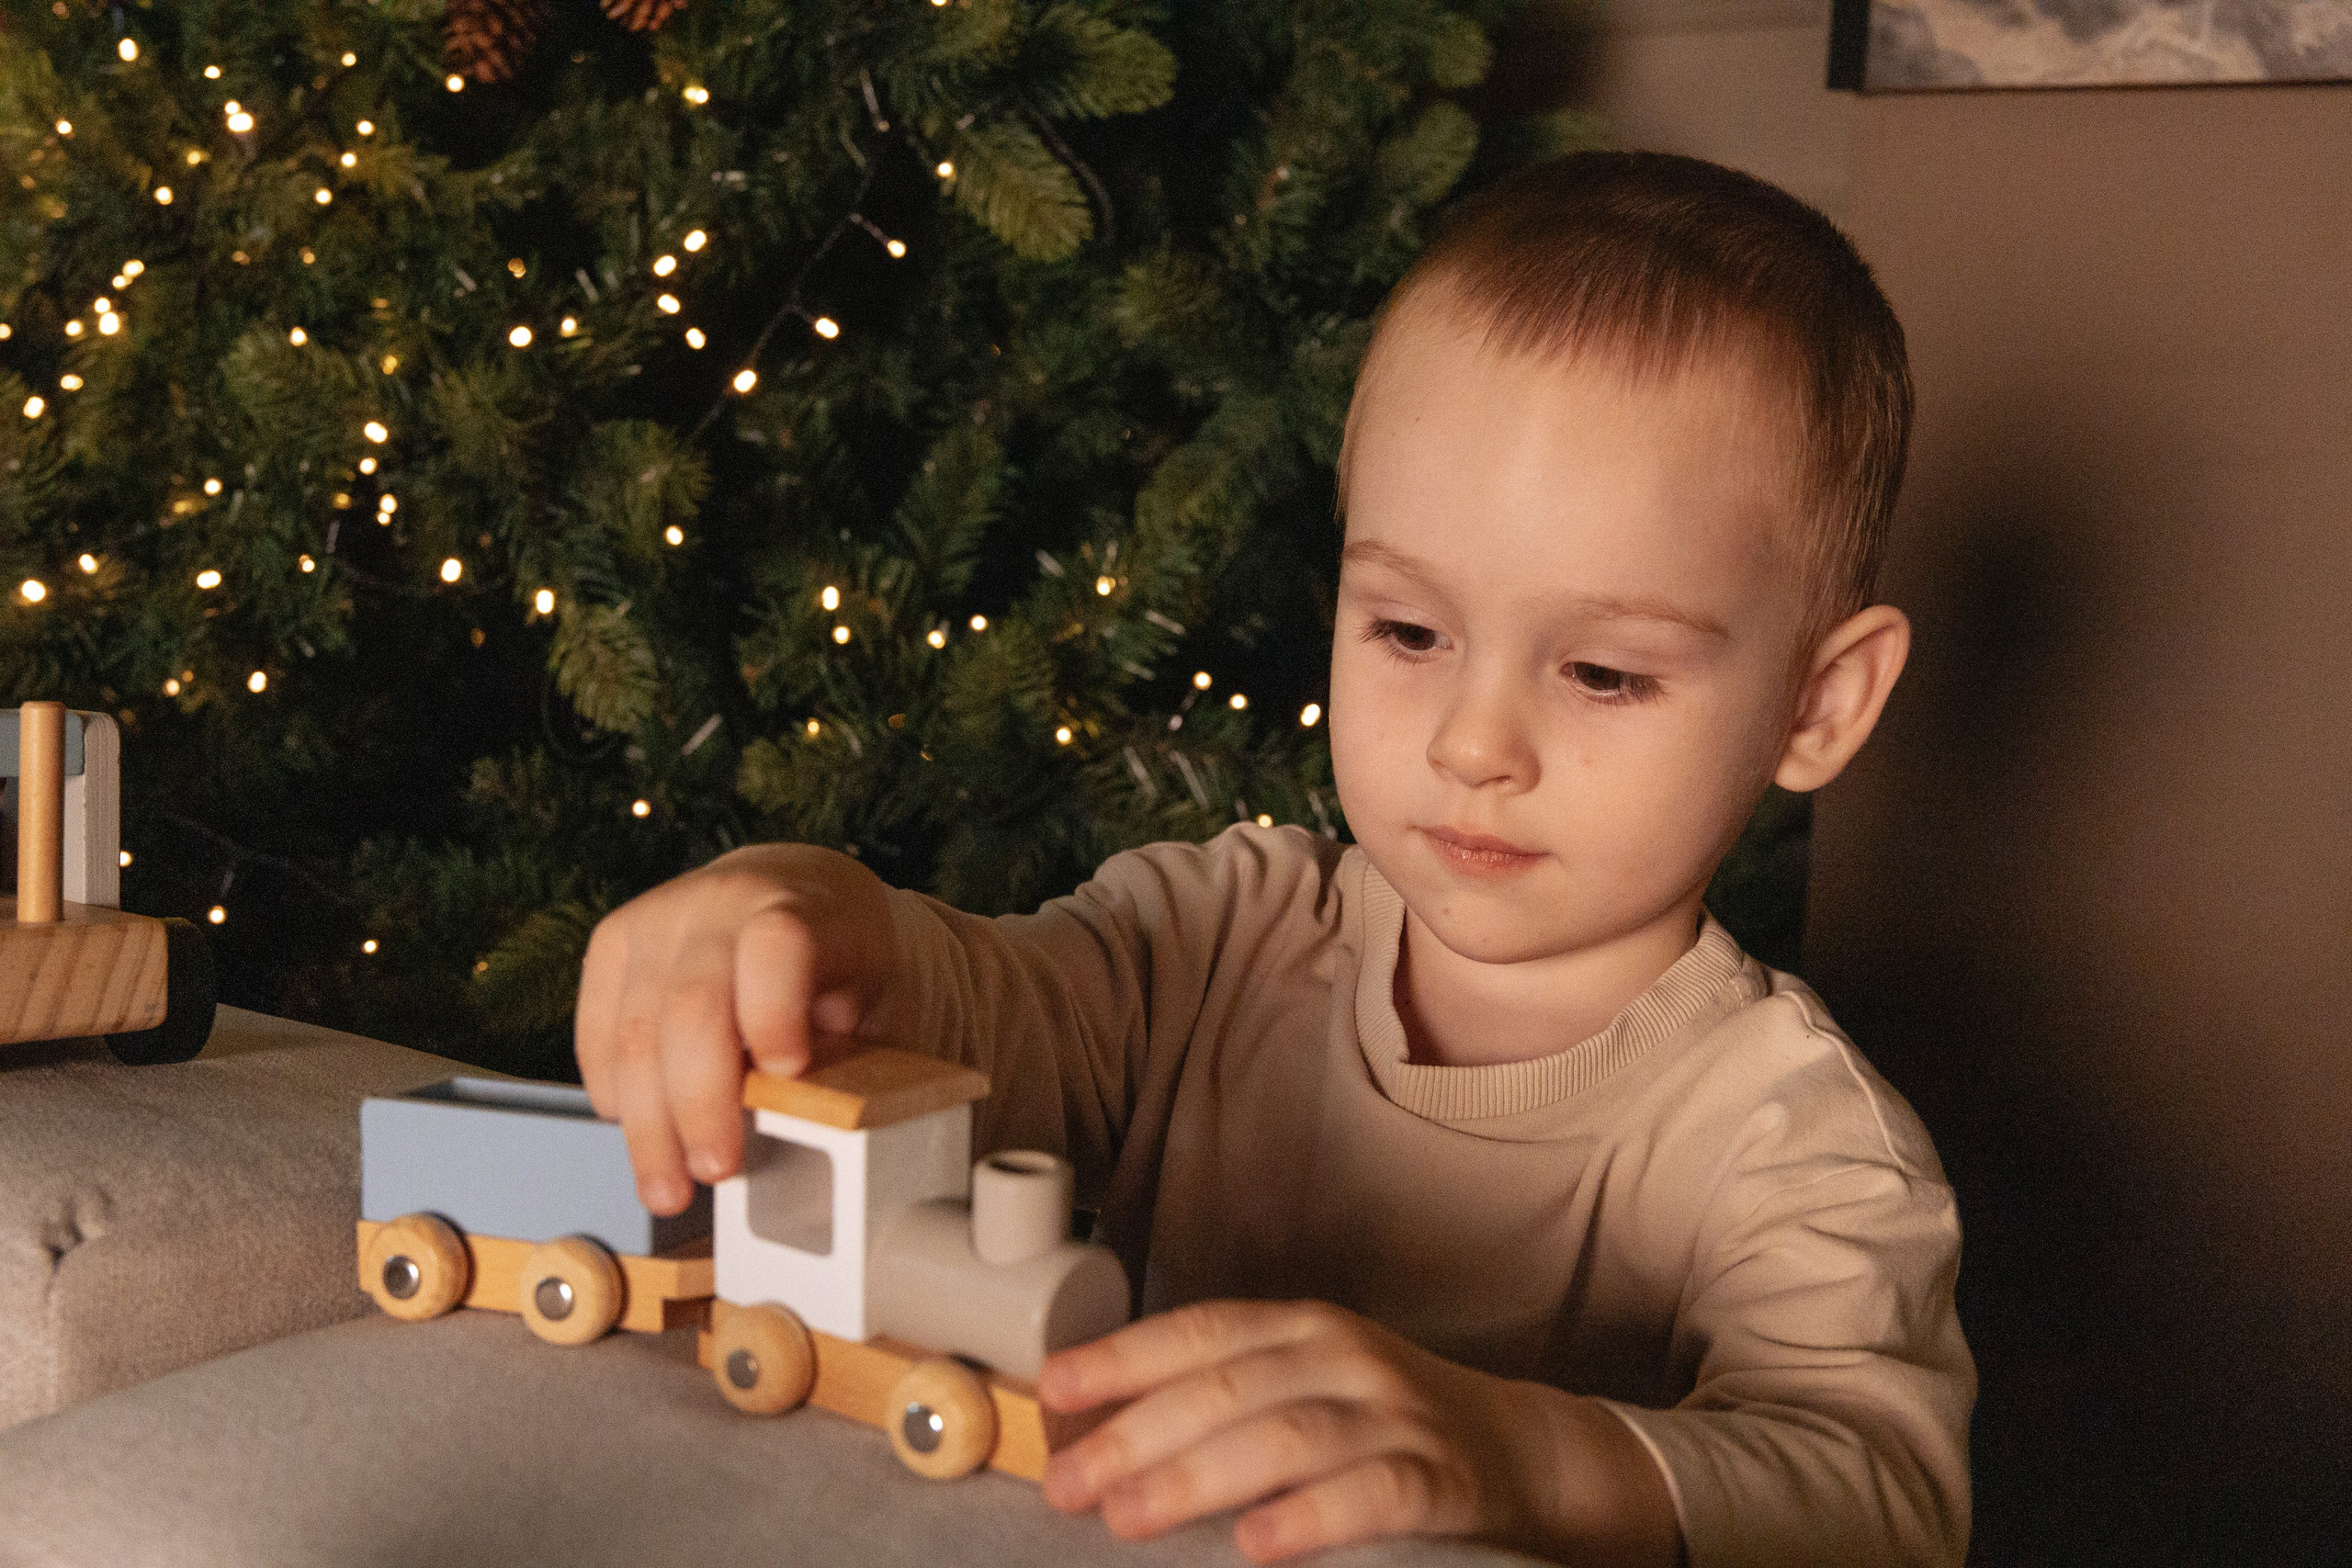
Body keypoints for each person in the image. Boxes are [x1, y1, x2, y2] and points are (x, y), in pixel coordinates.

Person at [573, 152, 1973, 1568]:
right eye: (1410, 633)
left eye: (1604, 672)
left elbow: (1880, 1500)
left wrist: (1523, 1447)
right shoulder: (1221, 934)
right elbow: (992, 1009)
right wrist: (810, 912)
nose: (1474, 742)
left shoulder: (1792, 1142)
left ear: (1818, 704)